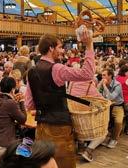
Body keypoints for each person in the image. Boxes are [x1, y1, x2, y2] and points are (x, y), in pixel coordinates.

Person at [26, 29, 94, 168]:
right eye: (60, 47)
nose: (62, 50)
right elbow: (87, 74)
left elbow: (29, 104)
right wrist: (89, 46)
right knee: (64, 164)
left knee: (44, 164)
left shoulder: (31, 71)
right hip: (59, 127)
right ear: (51, 48)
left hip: (41, 127)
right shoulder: (57, 68)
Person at [0, 76, 26, 159]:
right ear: (12, 89)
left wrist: (14, 101)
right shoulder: (10, 102)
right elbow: (23, 120)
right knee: (28, 152)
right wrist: (22, 101)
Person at [98, 68, 124, 149]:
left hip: (117, 105)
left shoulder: (117, 85)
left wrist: (105, 86)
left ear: (110, 76)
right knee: (99, 119)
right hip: (106, 106)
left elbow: (111, 97)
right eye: (102, 75)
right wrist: (100, 85)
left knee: (118, 121)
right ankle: (102, 137)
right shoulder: (102, 83)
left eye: (104, 75)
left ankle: (114, 139)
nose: (102, 77)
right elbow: (97, 94)